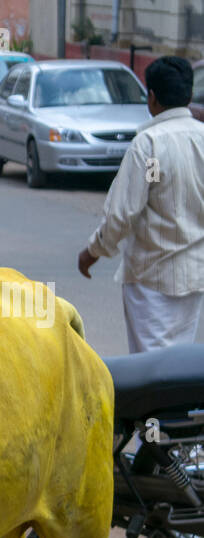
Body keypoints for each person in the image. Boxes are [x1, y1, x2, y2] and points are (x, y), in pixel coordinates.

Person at [78, 56, 204, 352]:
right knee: (177, 365)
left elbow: (123, 213)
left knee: (152, 370)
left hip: (151, 279)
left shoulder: (149, 146)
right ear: (187, 95)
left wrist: (93, 251)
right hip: (194, 276)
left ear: (152, 97)